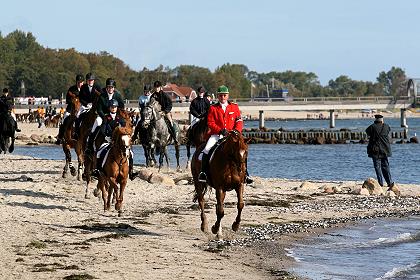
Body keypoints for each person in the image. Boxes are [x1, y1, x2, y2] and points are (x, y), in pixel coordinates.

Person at [197, 85, 253, 184]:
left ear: (227, 96)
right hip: (217, 135)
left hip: (233, 135)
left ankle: (246, 174)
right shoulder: (213, 108)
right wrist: (220, 130)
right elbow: (210, 123)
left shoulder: (234, 107)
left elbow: (239, 120)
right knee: (206, 149)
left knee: (242, 150)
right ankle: (203, 173)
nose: (222, 97)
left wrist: (237, 130)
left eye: (224, 95)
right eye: (221, 95)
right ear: (218, 96)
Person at [91, 99, 138, 180]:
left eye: (115, 107)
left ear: (117, 108)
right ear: (109, 108)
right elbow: (103, 128)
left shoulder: (120, 119)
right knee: (99, 153)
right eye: (112, 107)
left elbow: (124, 129)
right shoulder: (106, 117)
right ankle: (97, 171)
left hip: (119, 141)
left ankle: (131, 172)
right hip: (108, 140)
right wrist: (106, 136)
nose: (113, 108)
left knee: (131, 153)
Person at [85, 78, 124, 155]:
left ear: (114, 88)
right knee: (97, 122)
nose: (110, 89)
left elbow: (121, 107)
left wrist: (117, 116)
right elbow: (99, 109)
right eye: (109, 87)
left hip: (115, 115)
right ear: (106, 87)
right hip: (103, 115)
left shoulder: (118, 95)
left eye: (112, 87)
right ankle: (89, 145)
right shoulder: (102, 95)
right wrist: (105, 117)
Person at [366, 114, 395, 190]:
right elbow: (388, 131)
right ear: (382, 120)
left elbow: (367, 132)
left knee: (377, 167)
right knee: (386, 166)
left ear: (375, 119)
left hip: (375, 150)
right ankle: (389, 182)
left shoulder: (372, 127)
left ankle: (380, 183)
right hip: (385, 150)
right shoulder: (386, 126)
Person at [55, 74, 84, 144]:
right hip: (71, 109)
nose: (80, 84)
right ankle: (60, 137)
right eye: (78, 82)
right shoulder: (71, 89)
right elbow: (67, 100)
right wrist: (73, 101)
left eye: (81, 82)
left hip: (82, 108)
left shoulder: (85, 89)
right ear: (76, 82)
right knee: (64, 120)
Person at [74, 72, 101, 139]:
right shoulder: (83, 87)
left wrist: (94, 104)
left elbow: (101, 96)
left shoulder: (97, 87)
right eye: (89, 80)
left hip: (95, 106)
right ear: (86, 81)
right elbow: (80, 98)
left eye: (91, 80)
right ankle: (76, 134)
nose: (90, 82)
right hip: (85, 106)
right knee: (77, 117)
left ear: (93, 80)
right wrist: (86, 104)